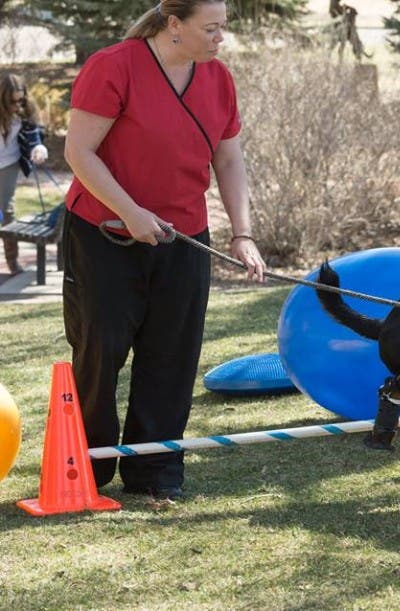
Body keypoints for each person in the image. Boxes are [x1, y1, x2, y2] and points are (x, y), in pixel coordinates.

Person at [63, 0, 265, 501]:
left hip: (184, 237)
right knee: (99, 348)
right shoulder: (113, 66)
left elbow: (229, 158)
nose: (221, 39)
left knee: (172, 354)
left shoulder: (218, 79)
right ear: (173, 24)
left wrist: (243, 233)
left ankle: (155, 473)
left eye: (224, 28)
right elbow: (79, 152)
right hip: (105, 233)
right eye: (211, 28)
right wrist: (131, 211)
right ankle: (87, 468)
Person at [0, 74, 49, 275]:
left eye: (21, 99)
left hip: (8, 165)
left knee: (6, 210)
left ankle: (12, 262)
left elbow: (34, 139)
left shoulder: (24, 116)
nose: (18, 104)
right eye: (12, 101)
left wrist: (39, 149)